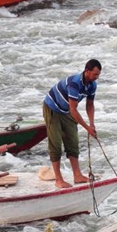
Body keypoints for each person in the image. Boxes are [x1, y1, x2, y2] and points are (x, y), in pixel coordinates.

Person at [42, 59, 101, 188]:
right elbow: (73, 109)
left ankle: (77, 175)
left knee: (73, 141)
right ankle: (58, 179)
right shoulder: (74, 83)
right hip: (53, 108)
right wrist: (87, 129)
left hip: (66, 110)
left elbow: (90, 105)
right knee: (56, 144)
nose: (96, 77)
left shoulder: (92, 85)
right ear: (87, 71)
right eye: (95, 74)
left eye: (98, 75)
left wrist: (92, 124)